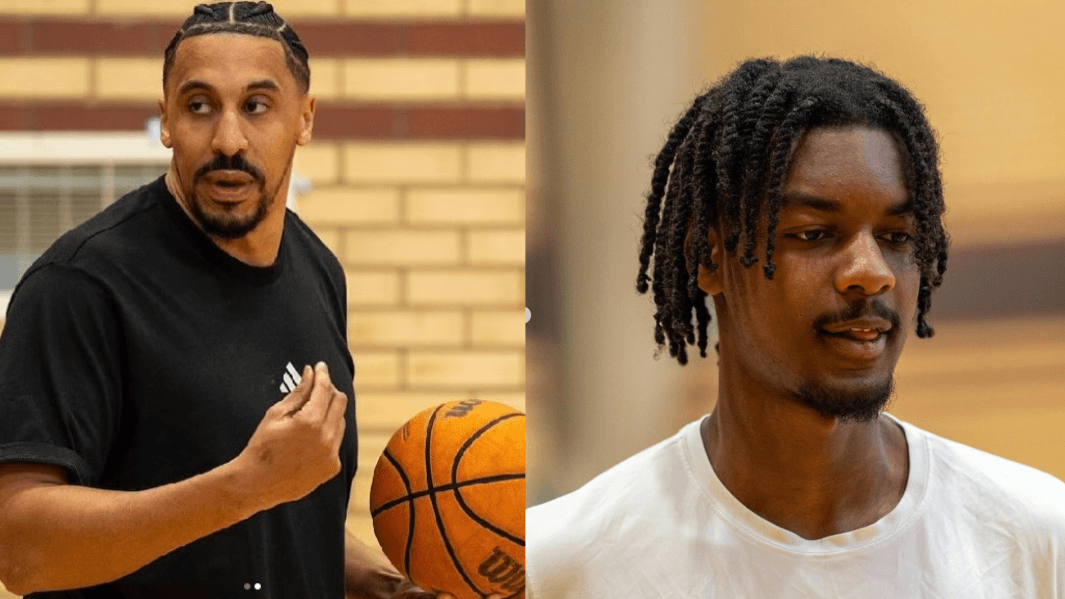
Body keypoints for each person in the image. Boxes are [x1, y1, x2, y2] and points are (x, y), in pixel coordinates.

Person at [0, 3, 499, 598]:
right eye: (199, 106)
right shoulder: (81, 284)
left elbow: (287, 518)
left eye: (257, 106)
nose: (228, 139)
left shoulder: (317, 270)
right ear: (165, 121)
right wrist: (244, 486)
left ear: (305, 120)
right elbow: (22, 550)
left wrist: (392, 588)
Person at [526, 56, 1065, 598]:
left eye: (897, 237)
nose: (871, 273)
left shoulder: (1037, 539)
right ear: (709, 258)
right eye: (813, 234)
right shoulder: (564, 563)